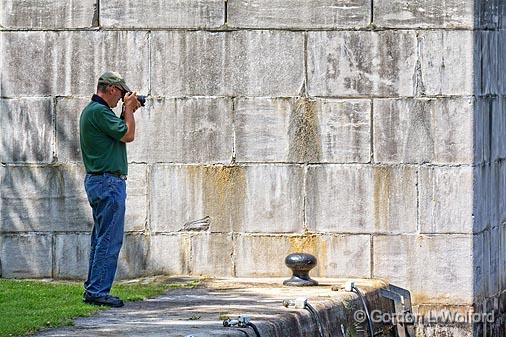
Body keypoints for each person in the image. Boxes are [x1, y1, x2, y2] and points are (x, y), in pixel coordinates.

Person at [79, 71, 141, 307]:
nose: (121, 99)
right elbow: (128, 134)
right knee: (109, 238)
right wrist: (128, 111)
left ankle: (93, 288)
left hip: (100, 181)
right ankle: (97, 290)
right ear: (112, 89)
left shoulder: (95, 112)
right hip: (108, 182)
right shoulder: (99, 112)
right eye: (121, 94)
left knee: (101, 237)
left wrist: (127, 110)